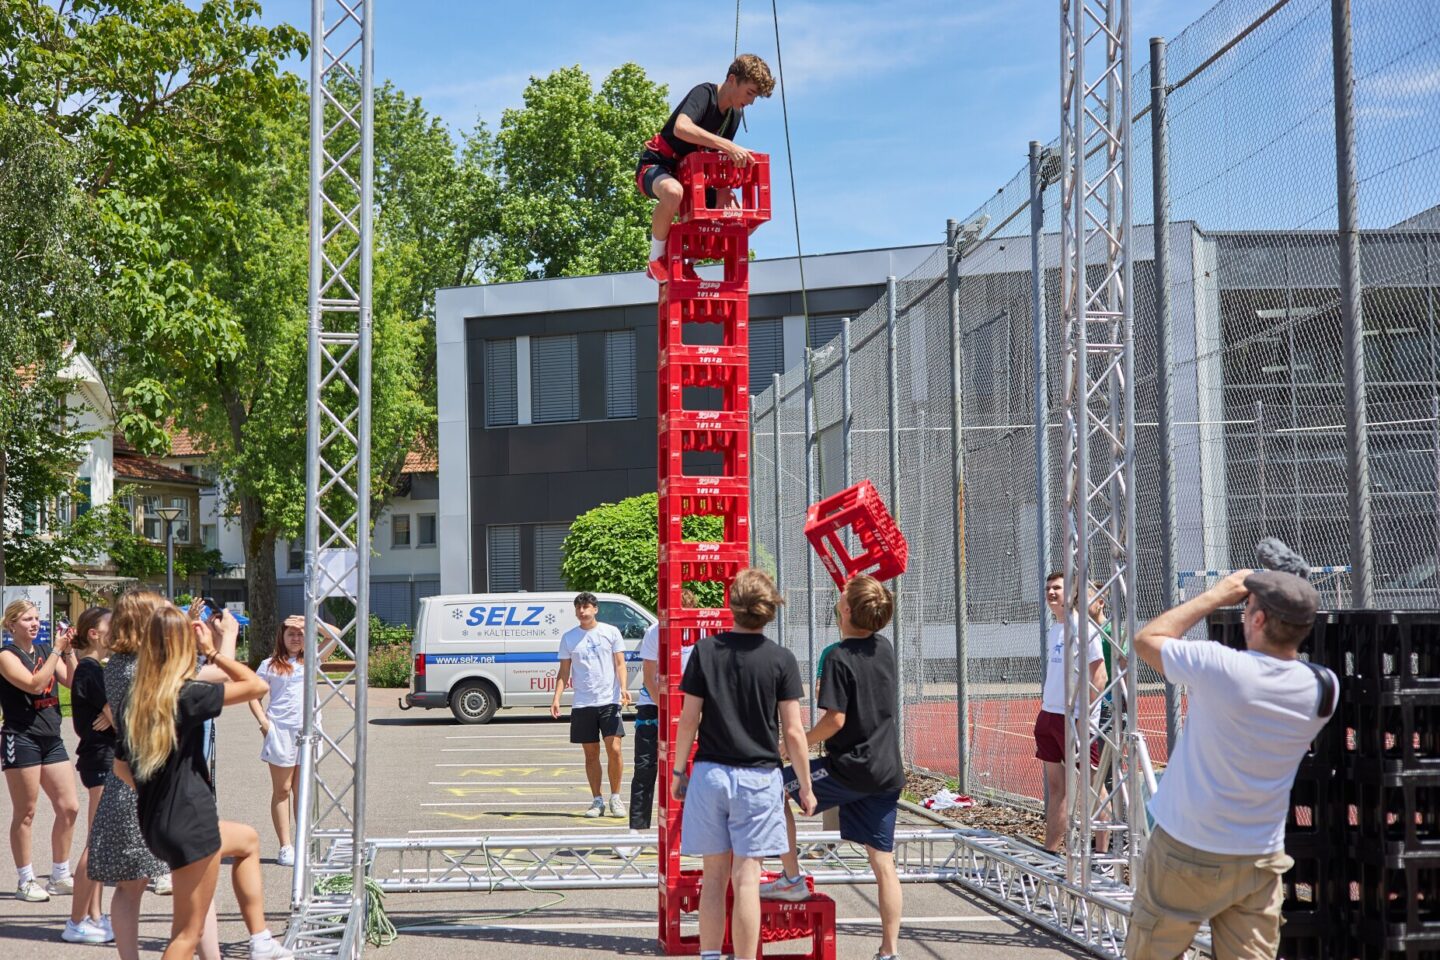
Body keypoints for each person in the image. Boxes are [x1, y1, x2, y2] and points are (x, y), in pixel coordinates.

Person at [1125, 569, 1335, 960]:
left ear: (1257, 620)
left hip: (1188, 848)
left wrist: (1217, 594)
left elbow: (1146, 639)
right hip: (1260, 855)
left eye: (1248, 610)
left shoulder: (1220, 667)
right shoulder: (1324, 688)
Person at [118, 604, 292, 960]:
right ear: (184, 646)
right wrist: (213, 650)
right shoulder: (185, 694)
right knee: (186, 934)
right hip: (189, 820)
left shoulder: (135, 699)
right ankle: (260, 939)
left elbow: (121, 768)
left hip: (157, 822)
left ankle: (260, 938)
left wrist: (159, 790)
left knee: (247, 840)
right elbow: (255, 685)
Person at [671, 569, 816, 960]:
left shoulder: (706, 651)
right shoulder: (781, 659)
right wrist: (804, 785)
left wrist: (679, 770)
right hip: (759, 778)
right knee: (747, 880)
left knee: (713, 878)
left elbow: (689, 718)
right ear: (770, 612)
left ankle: (710, 955)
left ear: (731, 604)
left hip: (710, 774)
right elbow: (793, 731)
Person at [760, 575, 906, 960]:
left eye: (842, 599)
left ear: (846, 610)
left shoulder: (839, 657)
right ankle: (889, 951)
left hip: (851, 768)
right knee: (882, 862)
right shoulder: (885, 647)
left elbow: (834, 721)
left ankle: (791, 878)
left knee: (774, 787)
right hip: (887, 769)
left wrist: (796, 744)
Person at [87, 592, 207, 960]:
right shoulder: (144, 665)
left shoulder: (118, 662)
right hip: (149, 781)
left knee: (130, 887)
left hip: (128, 777)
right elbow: (194, 685)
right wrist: (212, 648)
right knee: (193, 878)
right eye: (160, 612)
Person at [635, 54, 775, 283]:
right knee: (673, 192)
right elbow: (682, 127)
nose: (751, 102)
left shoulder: (734, 115)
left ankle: (687, 262)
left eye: (756, 96)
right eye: (750, 93)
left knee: (736, 215)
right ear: (732, 79)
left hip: (692, 176)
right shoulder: (704, 94)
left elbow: (714, 155)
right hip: (658, 165)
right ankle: (655, 260)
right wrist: (728, 146)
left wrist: (726, 183)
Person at [0, 598, 80, 903]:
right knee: (26, 812)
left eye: (36, 619)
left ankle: (60, 874)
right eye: (26, 620)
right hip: (21, 738)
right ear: (11, 625)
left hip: (51, 738)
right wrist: (58, 650)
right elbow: (34, 684)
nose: (34, 624)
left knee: (69, 807)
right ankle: (26, 880)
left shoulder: (47, 650)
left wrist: (68, 651)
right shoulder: (7, 656)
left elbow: (72, 681)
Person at [248, 614, 338, 866]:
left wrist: (311, 621)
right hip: (280, 732)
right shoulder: (269, 664)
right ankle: (285, 846)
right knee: (282, 790)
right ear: (282, 637)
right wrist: (264, 723)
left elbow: (337, 635)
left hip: (309, 732)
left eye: (300, 634)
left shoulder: (312, 659)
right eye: (291, 634)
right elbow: (252, 694)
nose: (296, 638)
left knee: (302, 791)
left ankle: (304, 842)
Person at [1033, 571, 1108, 853]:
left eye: (1057, 588)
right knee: (1057, 788)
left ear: (1072, 593)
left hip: (1075, 719)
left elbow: (1098, 676)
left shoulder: (1084, 628)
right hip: (1049, 715)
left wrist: (1082, 717)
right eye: (1048, 588)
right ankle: (1050, 851)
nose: (1051, 593)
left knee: (1092, 790)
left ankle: (1101, 856)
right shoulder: (1057, 629)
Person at [551, 592, 632, 818]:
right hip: (583, 704)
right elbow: (564, 671)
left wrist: (624, 687)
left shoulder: (610, 632)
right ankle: (597, 800)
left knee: (614, 749)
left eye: (586, 607)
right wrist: (557, 697)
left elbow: (620, 664)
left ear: (595, 609)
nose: (582, 611)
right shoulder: (569, 638)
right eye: (578, 608)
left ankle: (616, 797)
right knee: (590, 754)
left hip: (609, 701)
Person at [64, 606, 116, 943]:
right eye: (112, 626)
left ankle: (95, 913)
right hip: (100, 760)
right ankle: (76, 921)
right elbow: (121, 708)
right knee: (96, 844)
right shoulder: (88, 669)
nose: (118, 630)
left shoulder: (95, 668)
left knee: (100, 841)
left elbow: (117, 709)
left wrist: (113, 713)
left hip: (105, 758)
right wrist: (113, 714)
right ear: (94, 633)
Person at [629, 589, 698, 831]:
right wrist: (668, 711)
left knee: (689, 768)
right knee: (645, 767)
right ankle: (637, 830)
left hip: (689, 707)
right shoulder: (654, 632)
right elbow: (649, 678)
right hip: (654, 705)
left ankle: (687, 829)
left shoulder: (698, 634)